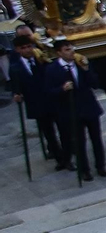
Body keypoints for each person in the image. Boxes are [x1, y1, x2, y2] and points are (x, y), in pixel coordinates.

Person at [8, 36, 62, 166]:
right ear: (17, 50)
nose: (27, 50)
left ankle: (68, 152)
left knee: (63, 128)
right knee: (49, 133)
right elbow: (16, 87)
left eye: (29, 46)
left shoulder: (42, 60)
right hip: (37, 104)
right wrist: (17, 94)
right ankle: (60, 158)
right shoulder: (15, 67)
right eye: (23, 48)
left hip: (53, 100)